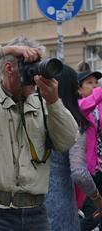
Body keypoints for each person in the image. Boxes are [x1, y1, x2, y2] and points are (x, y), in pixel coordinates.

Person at [0, 36, 78, 230]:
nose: (36, 76)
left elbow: (67, 140)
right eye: (30, 68)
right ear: (9, 68)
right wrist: (6, 50)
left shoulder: (44, 106)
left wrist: (54, 102)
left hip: (36, 213)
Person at [45, 65, 90, 231]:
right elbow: (79, 173)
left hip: (31, 207)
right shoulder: (74, 123)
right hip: (60, 205)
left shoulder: (34, 116)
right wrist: (98, 199)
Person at [75, 69, 102, 230]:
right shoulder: (78, 106)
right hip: (88, 171)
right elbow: (89, 103)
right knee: (92, 215)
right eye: (89, 83)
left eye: (96, 83)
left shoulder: (99, 107)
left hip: (100, 168)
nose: (94, 86)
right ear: (79, 89)